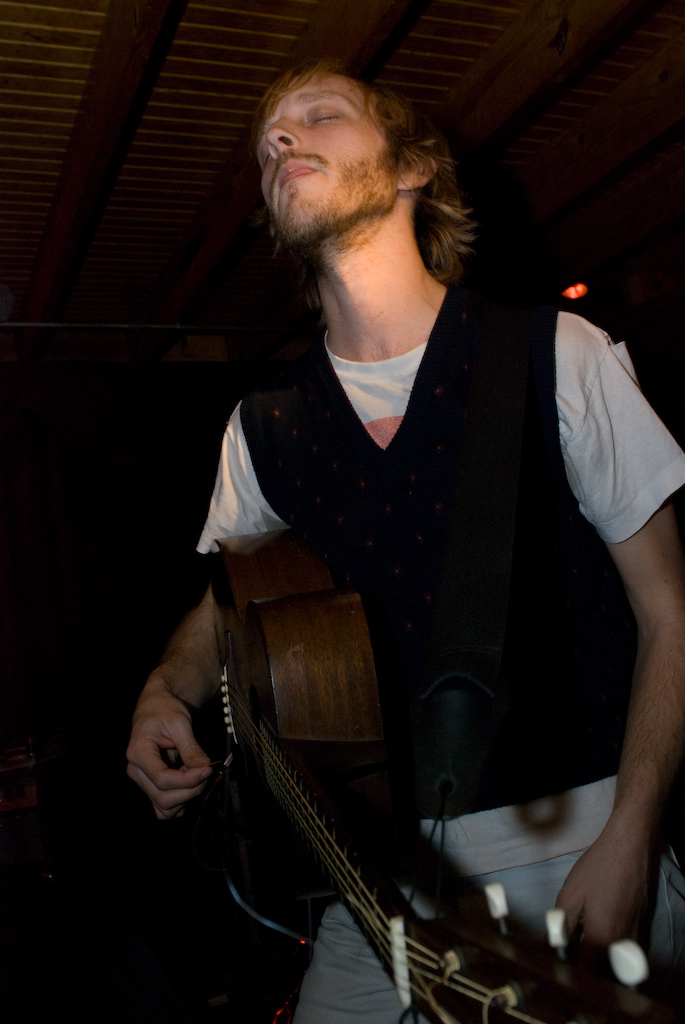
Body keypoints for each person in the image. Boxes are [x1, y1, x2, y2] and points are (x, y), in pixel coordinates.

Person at [126, 59, 685, 1021]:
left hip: (578, 851)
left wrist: (632, 836)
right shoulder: (260, 427)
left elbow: (671, 614)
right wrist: (161, 691)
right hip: (373, 882)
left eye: (318, 116)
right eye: (267, 141)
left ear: (410, 168)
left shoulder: (557, 354)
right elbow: (227, 605)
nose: (279, 141)